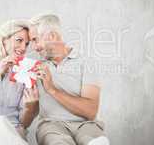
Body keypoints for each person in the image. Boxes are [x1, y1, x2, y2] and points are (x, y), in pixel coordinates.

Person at [29, 14, 110, 145]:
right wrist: (29, 104)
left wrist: (52, 90)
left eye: (35, 40)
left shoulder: (86, 62)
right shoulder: (35, 67)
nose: (33, 47)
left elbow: (90, 111)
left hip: (86, 125)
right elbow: (29, 113)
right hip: (52, 126)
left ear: (52, 36)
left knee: (97, 143)